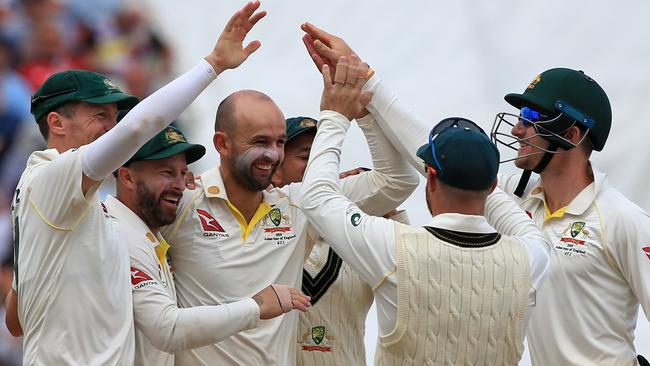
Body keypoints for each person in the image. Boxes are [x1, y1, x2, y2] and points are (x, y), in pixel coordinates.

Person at [299, 23, 650, 366]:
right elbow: (443, 157)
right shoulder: (514, 197)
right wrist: (367, 79)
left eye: (531, 116)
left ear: (572, 134)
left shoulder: (622, 220)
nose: (517, 127)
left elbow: (442, 163)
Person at [6, 2, 267, 364]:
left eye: (115, 118)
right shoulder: (52, 175)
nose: (111, 127)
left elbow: (15, 319)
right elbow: (140, 126)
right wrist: (214, 65)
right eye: (100, 115)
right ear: (57, 123)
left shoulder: (52, 198)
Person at [300, 55, 549, 365]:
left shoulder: (394, 248)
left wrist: (336, 114)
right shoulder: (533, 255)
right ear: (493, 183)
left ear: (430, 176)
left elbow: (315, 197)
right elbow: (500, 205)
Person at [161, 82, 420, 365]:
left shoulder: (297, 204)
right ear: (222, 144)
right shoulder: (182, 203)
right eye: (260, 142)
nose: (273, 154)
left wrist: (364, 111)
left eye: (280, 143)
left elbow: (397, 181)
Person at [109, 125, 310, 366]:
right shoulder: (117, 234)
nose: (180, 186)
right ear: (127, 177)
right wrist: (257, 306)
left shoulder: (146, 234)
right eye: (166, 173)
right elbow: (168, 329)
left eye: (183, 173)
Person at [271, 116, 409, 366]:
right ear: (275, 173)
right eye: (306, 157)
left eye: (323, 159)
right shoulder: (266, 233)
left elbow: (411, 289)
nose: (318, 169)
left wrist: (388, 208)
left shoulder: (357, 231)